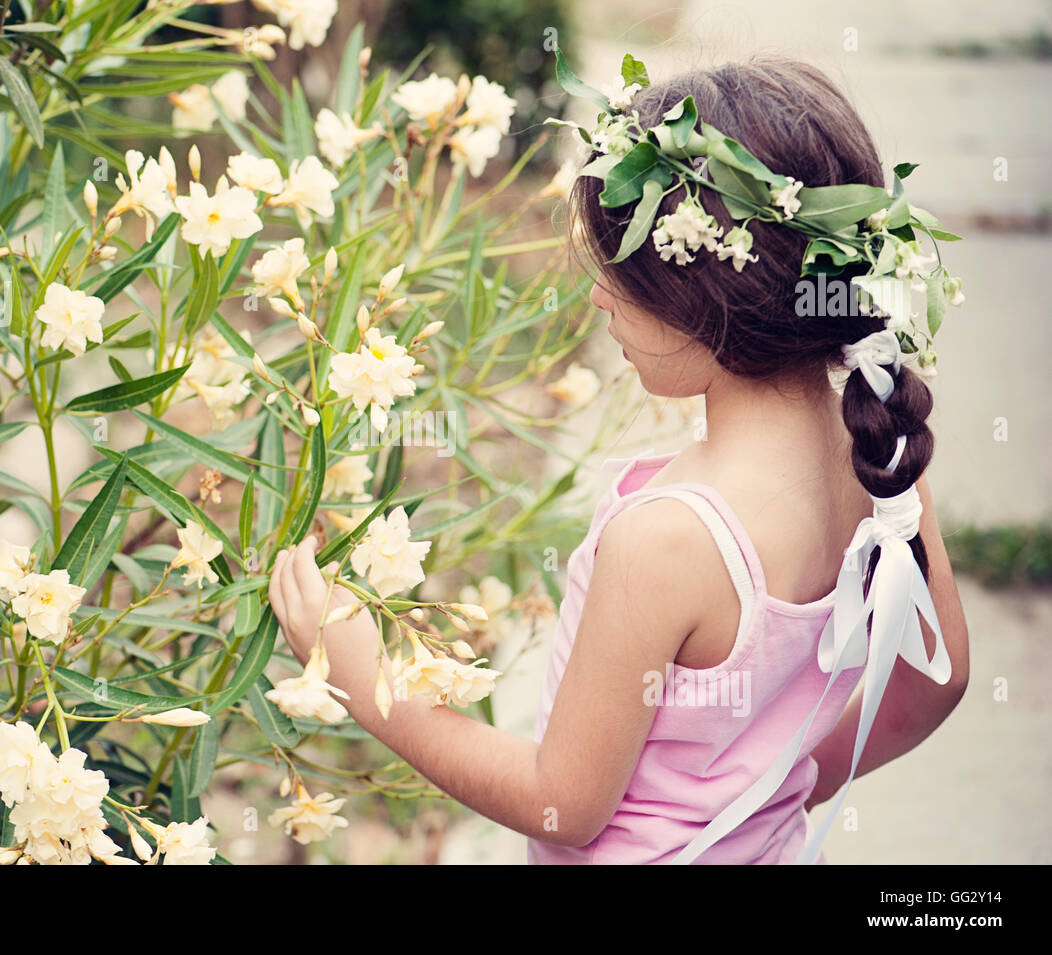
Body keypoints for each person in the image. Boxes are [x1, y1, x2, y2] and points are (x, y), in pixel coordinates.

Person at [266, 54, 970, 864]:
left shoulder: (669, 539)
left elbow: (561, 801)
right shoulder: (877, 449)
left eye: (623, 271)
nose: (598, 292)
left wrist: (362, 677)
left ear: (705, 297)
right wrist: (762, 791)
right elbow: (936, 679)